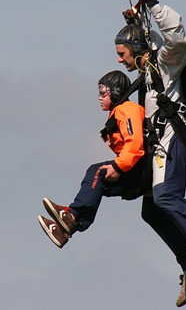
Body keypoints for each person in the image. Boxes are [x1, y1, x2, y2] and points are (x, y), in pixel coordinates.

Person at [114, 0, 186, 307]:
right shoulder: (148, 71)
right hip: (159, 140)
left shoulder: (167, 62)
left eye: (122, 53)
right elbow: (152, 38)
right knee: (152, 211)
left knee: (165, 197)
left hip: (172, 135)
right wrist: (139, 18)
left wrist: (155, 5)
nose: (119, 59)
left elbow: (176, 38)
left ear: (135, 49)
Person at [38, 70, 146, 248]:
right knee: (96, 184)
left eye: (103, 93)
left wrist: (118, 167)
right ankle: (66, 230)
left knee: (96, 171)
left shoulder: (127, 109)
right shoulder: (118, 112)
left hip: (138, 168)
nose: (99, 98)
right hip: (135, 170)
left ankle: (71, 215)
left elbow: (135, 143)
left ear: (116, 92)